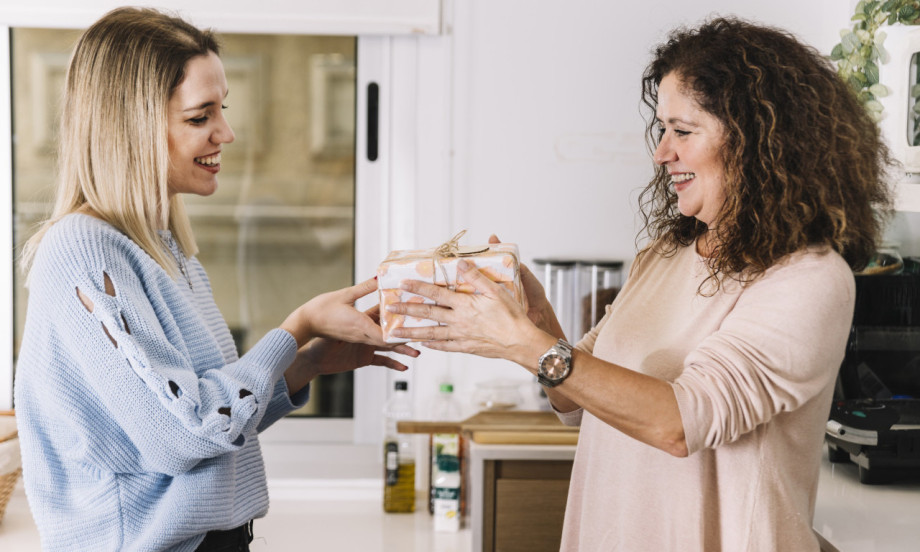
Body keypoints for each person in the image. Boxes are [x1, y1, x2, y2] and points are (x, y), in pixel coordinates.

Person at [387, 17, 893, 551]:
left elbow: (681, 422)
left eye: (683, 130)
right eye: (662, 130)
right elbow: (578, 403)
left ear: (757, 139)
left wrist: (527, 344)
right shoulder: (664, 255)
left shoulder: (808, 279)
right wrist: (537, 323)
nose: (661, 153)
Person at [13, 7, 417, 551]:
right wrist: (295, 328)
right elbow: (180, 437)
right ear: (130, 125)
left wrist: (311, 362)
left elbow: (213, 427)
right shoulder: (84, 253)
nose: (226, 133)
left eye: (221, 110)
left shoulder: (167, 251)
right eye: (200, 117)